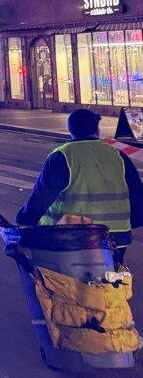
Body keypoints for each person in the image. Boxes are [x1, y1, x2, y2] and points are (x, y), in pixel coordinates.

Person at [17, 108, 143, 268]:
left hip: (74, 238)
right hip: (116, 238)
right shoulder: (117, 155)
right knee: (113, 282)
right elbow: (137, 194)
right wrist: (133, 222)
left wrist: (24, 221)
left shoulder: (63, 156)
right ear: (97, 130)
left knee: (71, 286)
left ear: (71, 130)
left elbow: (42, 196)